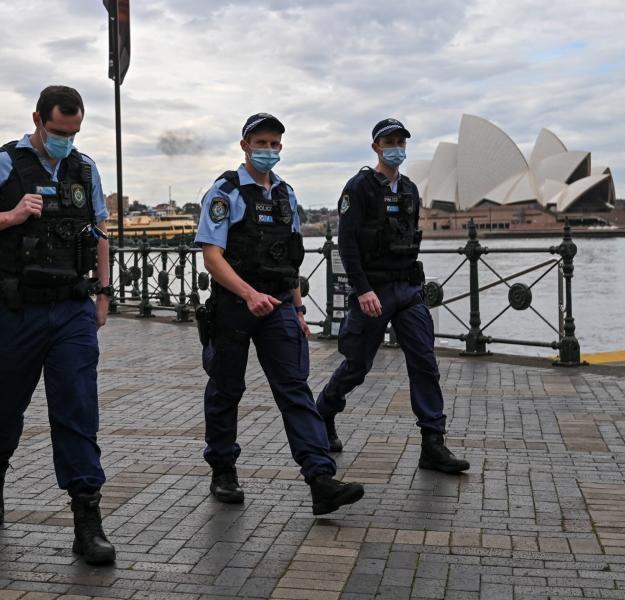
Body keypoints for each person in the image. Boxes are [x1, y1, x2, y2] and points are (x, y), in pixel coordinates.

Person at [0, 85, 115, 565]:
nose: (67, 140)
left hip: (72, 309)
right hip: (17, 309)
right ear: (38, 119)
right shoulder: (2, 164)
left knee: (78, 409)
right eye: (59, 131)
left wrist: (103, 293)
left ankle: (87, 520)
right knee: (2, 405)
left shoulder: (85, 169)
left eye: (74, 132)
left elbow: (99, 233)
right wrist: (12, 214)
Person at [194, 113, 364, 516]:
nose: (268, 150)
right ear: (245, 145)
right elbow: (211, 257)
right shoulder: (225, 192)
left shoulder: (287, 195)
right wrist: (248, 293)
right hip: (235, 306)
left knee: (294, 389)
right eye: (261, 143)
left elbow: (290, 259)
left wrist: (299, 308)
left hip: (278, 307)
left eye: (274, 144)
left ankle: (320, 479)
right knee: (226, 389)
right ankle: (223, 469)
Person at [315, 118, 469, 474]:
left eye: (400, 141)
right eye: (389, 141)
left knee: (424, 362)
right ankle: (324, 411)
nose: (396, 146)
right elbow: (348, 243)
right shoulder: (359, 188)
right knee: (357, 365)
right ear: (376, 147)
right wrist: (363, 289)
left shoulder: (411, 190)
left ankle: (433, 442)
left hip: (407, 289)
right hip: (374, 289)